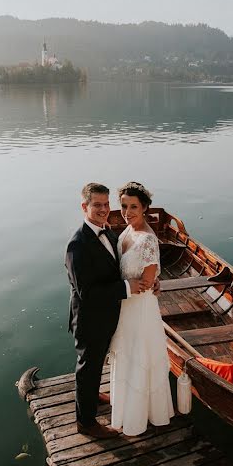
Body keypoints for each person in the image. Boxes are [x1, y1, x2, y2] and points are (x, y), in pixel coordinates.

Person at [65, 183, 149, 439]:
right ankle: (86, 423)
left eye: (106, 204)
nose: (104, 210)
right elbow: (87, 293)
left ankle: (93, 396)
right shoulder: (77, 245)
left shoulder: (109, 233)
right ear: (84, 207)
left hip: (108, 315)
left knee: (98, 361)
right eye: (97, 205)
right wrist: (126, 287)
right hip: (89, 319)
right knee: (88, 367)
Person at [108, 182, 175, 436]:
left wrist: (150, 284)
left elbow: (147, 282)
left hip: (139, 307)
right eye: (124, 206)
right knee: (126, 352)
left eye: (133, 206)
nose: (127, 211)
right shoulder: (127, 232)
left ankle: (140, 412)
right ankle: (126, 403)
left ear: (145, 207)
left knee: (139, 354)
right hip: (126, 305)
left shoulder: (148, 240)